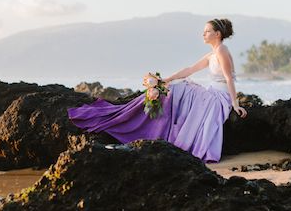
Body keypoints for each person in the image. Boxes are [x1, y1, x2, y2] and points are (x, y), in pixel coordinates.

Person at [67, 18, 247, 163]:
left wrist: (235, 104)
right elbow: (189, 70)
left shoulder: (222, 50)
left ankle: (157, 127)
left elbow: (229, 78)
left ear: (217, 34)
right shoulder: (212, 54)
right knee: (176, 85)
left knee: (181, 87)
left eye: (207, 31)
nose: (203, 34)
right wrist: (165, 80)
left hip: (219, 97)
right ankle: (143, 119)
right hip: (211, 92)